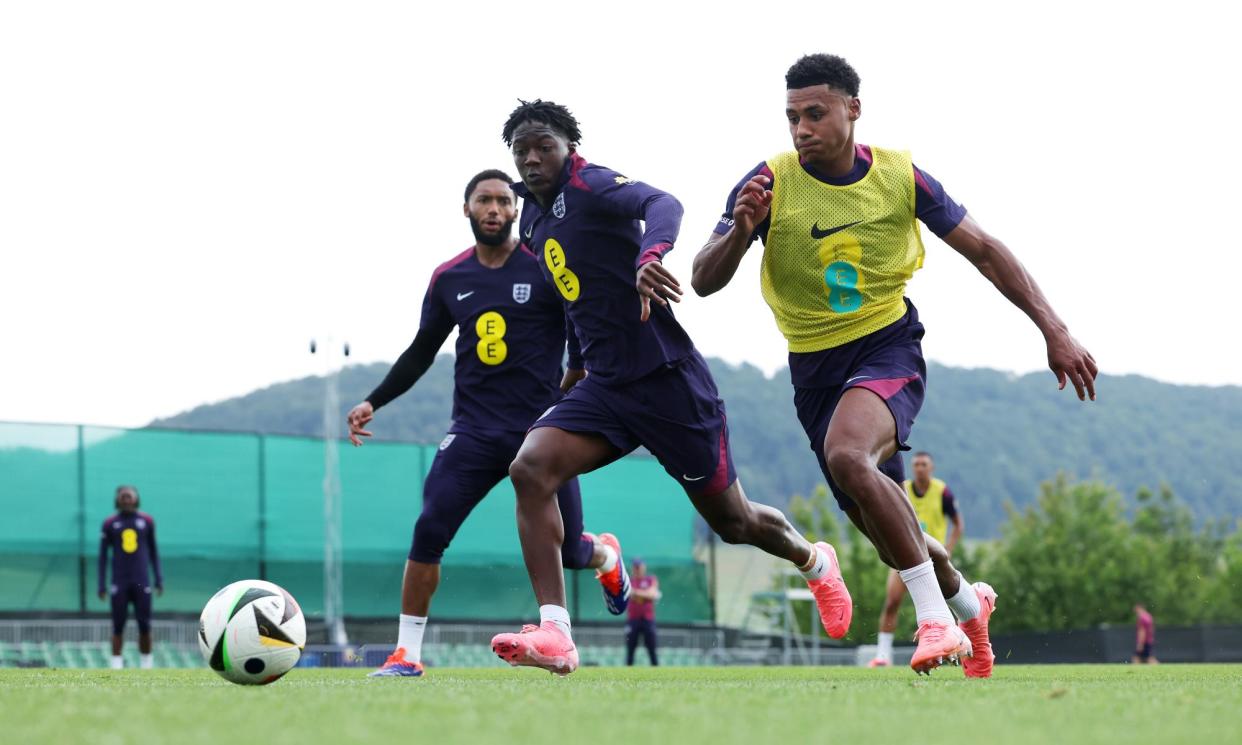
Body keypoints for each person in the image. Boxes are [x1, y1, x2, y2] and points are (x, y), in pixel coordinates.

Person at [692, 54, 1098, 676]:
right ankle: (968, 601)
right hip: (814, 372)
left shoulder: (901, 178)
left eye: (815, 113)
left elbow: (986, 251)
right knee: (890, 532)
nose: (801, 128)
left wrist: (1055, 329)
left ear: (853, 109)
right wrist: (739, 229)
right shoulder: (767, 184)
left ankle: (934, 622)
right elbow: (703, 280)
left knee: (848, 457)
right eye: (792, 117)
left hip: (887, 348)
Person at [490, 100, 851, 677]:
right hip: (605, 387)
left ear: (568, 149)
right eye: (522, 151)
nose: (533, 159)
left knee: (734, 524)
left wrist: (650, 254)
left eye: (544, 147)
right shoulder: (531, 220)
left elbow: (664, 203)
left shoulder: (593, 185)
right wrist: (577, 362)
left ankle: (813, 561)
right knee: (530, 468)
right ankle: (556, 631)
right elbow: (575, 293)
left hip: (667, 383)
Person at [348, 169, 630, 678]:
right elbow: (420, 352)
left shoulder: (544, 267)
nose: (495, 209)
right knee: (429, 526)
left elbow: (581, 335)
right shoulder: (449, 277)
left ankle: (605, 557)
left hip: (541, 433)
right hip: (473, 431)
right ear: (467, 209)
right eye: (485, 200)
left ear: (516, 209)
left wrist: (571, 395)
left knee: (570, 551)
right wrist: (374, 401)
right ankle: (406, 655)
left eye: (504, 200)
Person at [869, 452, 962, 667]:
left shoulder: (942, 492)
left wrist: (948, 549)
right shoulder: (903, 488)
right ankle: (883, 656)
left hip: (934, 558)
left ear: (931, 467)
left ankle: (959, 646)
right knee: (892, 602)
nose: (920, 468)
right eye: (916, 464)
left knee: (949, 602)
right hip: (904, 554)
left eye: (924, 464)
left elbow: (958, 523)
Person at [98, 485, 162, 669]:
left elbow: (154, 552)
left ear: (136, 498)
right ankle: (116, 664)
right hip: (119, 581)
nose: (126, 500)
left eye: (129, 496)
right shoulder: (110, 523)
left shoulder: (147, 521)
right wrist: (101, 584)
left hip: (142, 581)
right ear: (117, 499)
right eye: (123, 497)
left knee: (145, 623)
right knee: (118, 624)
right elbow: (102, 557)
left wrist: (159, 578)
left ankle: (146, 664)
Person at [625, 558, 661, 666]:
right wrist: (645, 595)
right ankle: (627, 673)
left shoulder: (651, 579)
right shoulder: (629, 581)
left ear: (643, 567)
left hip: (648, 619)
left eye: (639, 567)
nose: (637, 569)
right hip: (633, 619)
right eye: (635, 567)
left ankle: (656, 672)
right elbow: (627, 593)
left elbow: (652, 594)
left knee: (652, 649)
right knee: (630, 650)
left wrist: (635, 593)